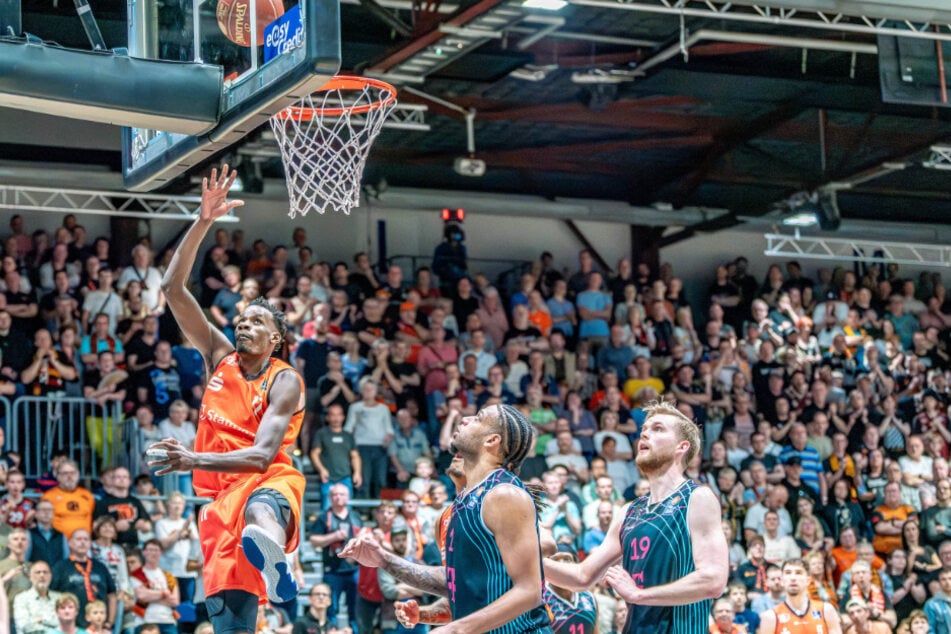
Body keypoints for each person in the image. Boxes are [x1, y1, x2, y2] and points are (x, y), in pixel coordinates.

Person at [149, 165, 306, 634]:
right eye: (241, 319)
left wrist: (191, 457)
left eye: (257, 321)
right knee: (231, 624)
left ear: (277, 338)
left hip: (267, 478)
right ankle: (267, 564)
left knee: (262, 511)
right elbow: (172, 290)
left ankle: (274, 559)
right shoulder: (219, 355)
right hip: (217, 501)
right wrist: (201, 222)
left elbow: (261, 457)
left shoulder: (285, 380)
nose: (244, 324)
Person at [341, 403, 553, 632]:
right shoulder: (463, 503)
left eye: (478, 417)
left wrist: (455, 629)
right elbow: (458, 580)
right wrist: (384, 559)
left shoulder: (504, 494)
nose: (465, 419)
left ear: (492, 440)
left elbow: (530, 591)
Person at [543, 400, 729, 634]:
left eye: (658, 429)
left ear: (681, 447)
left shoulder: (697, 497)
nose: (645, 435)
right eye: (644, 430)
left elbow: (713, 581)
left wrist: (638, 595)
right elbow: (582, 577)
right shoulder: (628, 511)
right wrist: (523, 560)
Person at [757, 558, 841, 634]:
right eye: (788, 573)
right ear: (782, 581)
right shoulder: (771, 617)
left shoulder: (826, 610)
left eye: (798, 573)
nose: (793, 577)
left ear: (808, 580)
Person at [544, 547, 598, 634]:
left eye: (567, 559)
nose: (561, 564)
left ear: (576, 565)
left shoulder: (589, 597)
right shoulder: (541, 597)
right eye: (555, 560)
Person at [13, 560, 60, 634]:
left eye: (45, 572)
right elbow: (24, 626)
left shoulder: (59, 598)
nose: (42, 575)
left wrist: (41, 620)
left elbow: (64, 624)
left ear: (50, 576)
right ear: (30, 577)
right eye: (38, 572)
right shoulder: (21, 599)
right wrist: (52, 626)